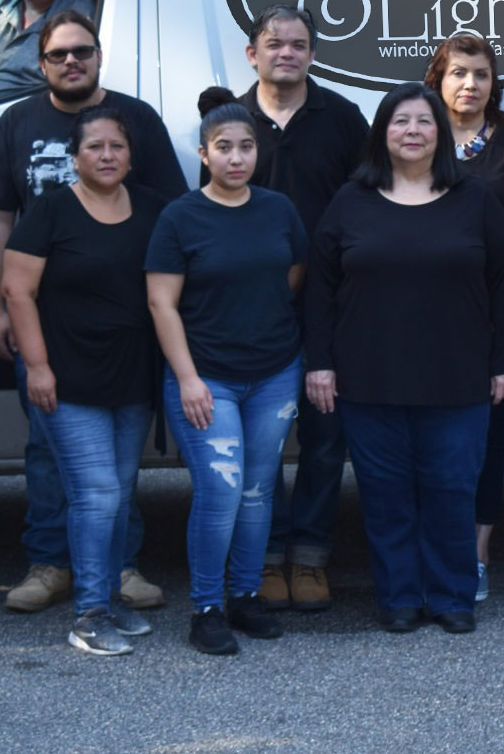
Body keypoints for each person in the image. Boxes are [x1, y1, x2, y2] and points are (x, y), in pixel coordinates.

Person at [0, 9, 184, 615]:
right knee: (46, 448)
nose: (72, 62)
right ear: (40, 63)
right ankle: (49, 564)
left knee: (119, 461)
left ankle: (121, 567)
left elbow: (170, 215)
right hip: (45, 325)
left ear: (98, 56)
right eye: (58, 54)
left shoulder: (137, 119)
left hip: (124, 332)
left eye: (82, 52)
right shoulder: (16, 121)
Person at [305, 82, 504, 635]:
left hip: (458, 376)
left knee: (452, 489)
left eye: (424, 122)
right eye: (401, 121)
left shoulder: (473, 199)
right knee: (386, 494)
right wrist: (320, 362)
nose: (412, 132)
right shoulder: (350, 200)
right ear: (383, 132)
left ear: (440, 133)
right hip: (368, 376)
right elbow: (320, 289)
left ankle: (453, 597)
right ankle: (399, 596)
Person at [4, 107, 170, 655]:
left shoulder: (152, 208)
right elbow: (17, 291)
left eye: (115, 147)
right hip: (67, 377)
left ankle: (109, 599)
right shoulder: (50, 211)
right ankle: (89, 613)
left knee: (119, 495)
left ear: (130, 155)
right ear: (75, 156)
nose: (105, 155)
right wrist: (37, 366)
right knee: (95, 494)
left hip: (131, 376)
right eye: (94, 147)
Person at [148, 89, 307, 655]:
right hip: (206, 377)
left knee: (260, 491)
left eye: (245, 147)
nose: (236, 157)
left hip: (274, 373)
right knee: (221, 491)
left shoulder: (278, 209)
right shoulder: (180, 217)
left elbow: (291, 274)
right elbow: (162, 304)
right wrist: (188, 378)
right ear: (203, 153)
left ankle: (244, 597)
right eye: (224, 148)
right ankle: (207, 607)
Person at [224, 5, 370, 615]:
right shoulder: (230, 121)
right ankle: (265, 553)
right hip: (248, 306)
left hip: (329, 302)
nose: (287, 51)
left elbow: (369, 206)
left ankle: (309, 557)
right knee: (261, 443)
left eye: (299, 44)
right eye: (274, 42)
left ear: (313, 54)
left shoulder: (342, 119)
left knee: (322, 436)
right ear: (252, 53)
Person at [426, 32, 504, 603]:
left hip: (495, 317)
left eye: (481, 75)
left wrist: (500, 299)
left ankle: (476, 553)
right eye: (458, 73)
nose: (470, 84)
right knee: (428, 433)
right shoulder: (415, 137)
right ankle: (434, 547)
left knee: (486, 435)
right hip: (425, 317)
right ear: (438, 79)